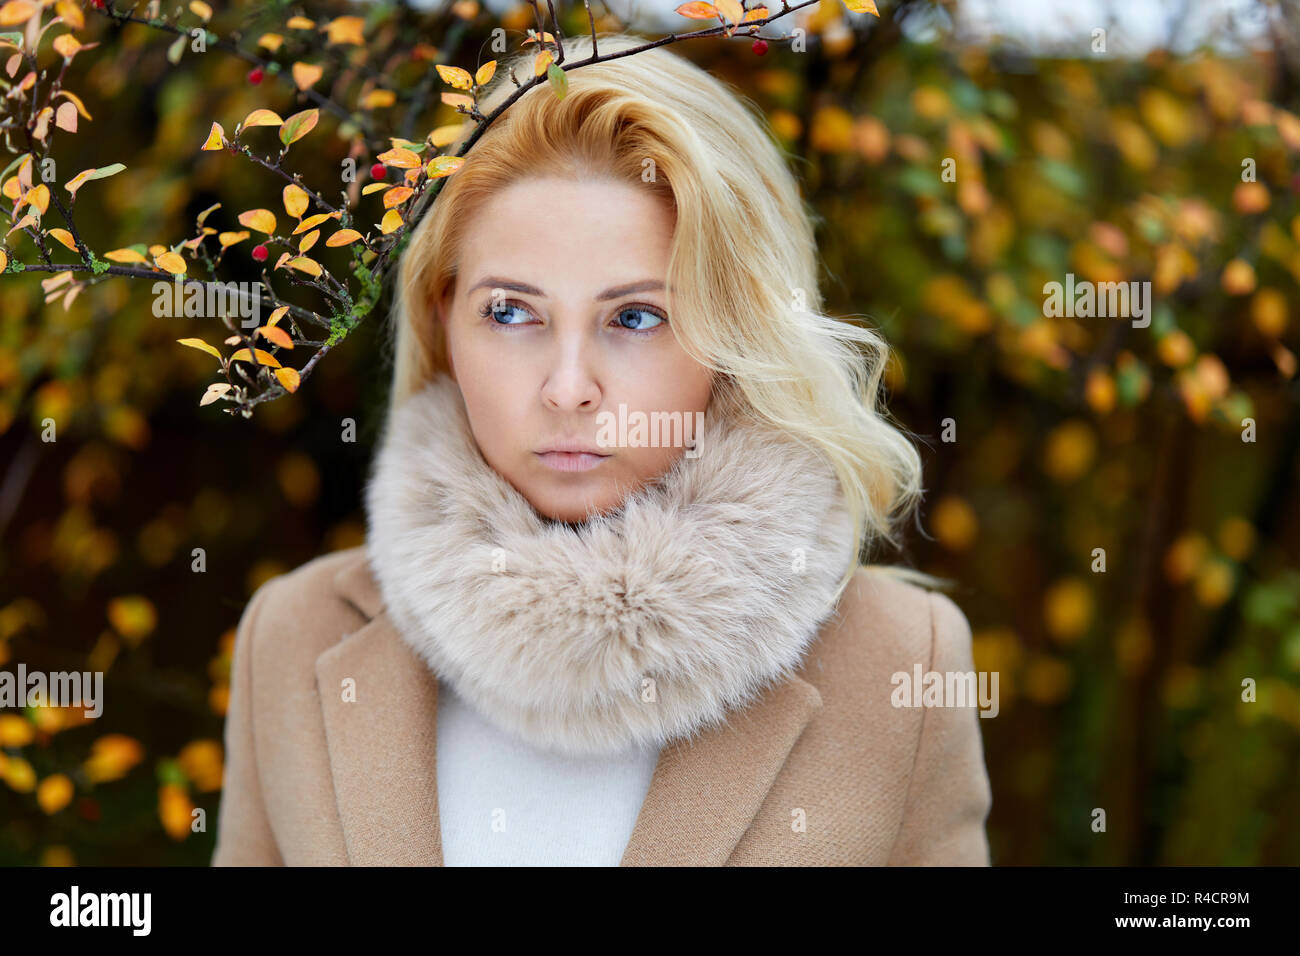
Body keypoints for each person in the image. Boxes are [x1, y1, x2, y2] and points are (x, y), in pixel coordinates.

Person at [211, 31, 992, 866]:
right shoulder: (292, 638)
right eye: (511, 312)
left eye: (635, 317)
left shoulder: (906, 662)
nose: (569, 388)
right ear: (443, 316)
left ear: (736, 334)